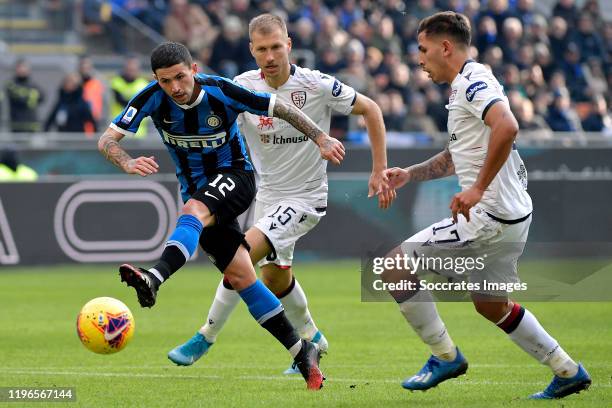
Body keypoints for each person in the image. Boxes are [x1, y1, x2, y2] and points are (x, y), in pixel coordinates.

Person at [97, 41, 345, 390]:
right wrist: (126, 160)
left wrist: (320, 137)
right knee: (241, 276)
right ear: (156, 79)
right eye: (166, 81)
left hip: (236, 178)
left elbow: (281, 108)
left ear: (194, 69)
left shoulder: (223, 91)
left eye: (181, 77)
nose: (176, 88)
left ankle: (154, 277)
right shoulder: (150, 98)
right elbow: (107, 140)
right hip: (199, 191)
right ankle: (302, 350)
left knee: (192, 211)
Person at [166, 13, 394, 374]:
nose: (270, 56)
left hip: (306, 197)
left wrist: (379, 169)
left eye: (276, 47)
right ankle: (313, 338)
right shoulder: (241, 86)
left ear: (288, 46)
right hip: (267, 196)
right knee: (275, 278)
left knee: (239, 258)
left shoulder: (317, 85)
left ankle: (205, 337)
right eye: (262, 49)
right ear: (252, 51)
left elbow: (372, 109)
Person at [381, 12, 591, 399]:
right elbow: (456, 154)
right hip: (511, 216)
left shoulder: (473, 82)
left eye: (423, 50)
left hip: (488, 217)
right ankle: (567, 370)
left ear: (446, 47)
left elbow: (508, 126)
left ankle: (444, 356)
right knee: (491, 305)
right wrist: (410, 173)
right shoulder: (469, 83)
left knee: (394, 266)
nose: (419, 60)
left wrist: (478, 188)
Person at [110, 56, 150, 138]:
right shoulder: (116, 82)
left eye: (133, 69)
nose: (131, 71)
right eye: (129, 69)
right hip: (118, 129)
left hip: (139, 132)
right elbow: (120, 101)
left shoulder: (144, 85)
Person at [5, 59, 44, 133]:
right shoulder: (11, 84)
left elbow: (42, 97)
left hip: (32, 125)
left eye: (24, 67)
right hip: (16, 126)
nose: (22, 70)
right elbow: (18, 98)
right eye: (20, 67)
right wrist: (31, 96)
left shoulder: (33, 85)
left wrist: (25, 95)